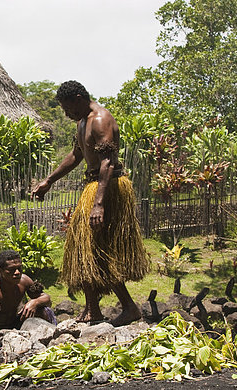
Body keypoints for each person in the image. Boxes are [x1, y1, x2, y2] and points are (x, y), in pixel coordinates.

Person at [32, 80, 149, 326]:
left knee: (98, 248)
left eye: (68, 108)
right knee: (82, 249)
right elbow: (77, 155)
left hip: (108, 189)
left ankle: (129, 308)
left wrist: (99, 204)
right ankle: (92, 309)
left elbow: (107, 162)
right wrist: (49, 180)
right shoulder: (82, 121)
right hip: (93, 186)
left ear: (79, 97)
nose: (66, 114)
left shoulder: (100, 119)